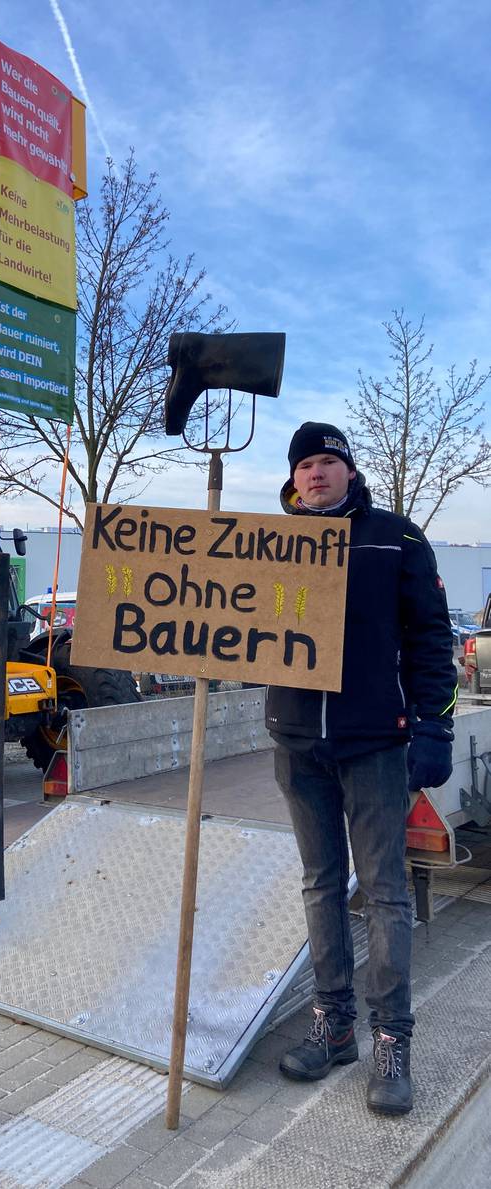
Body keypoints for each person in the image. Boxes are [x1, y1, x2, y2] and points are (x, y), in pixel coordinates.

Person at [267, 422, 457, 1116]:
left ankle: (391, 1039)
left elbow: (434, 638)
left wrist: (433, 728)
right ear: (293, 478)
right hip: (296, 744)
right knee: (320, 886)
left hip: (376, 742)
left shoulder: (396, 538)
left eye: (327, 461)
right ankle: (334, 1024)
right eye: (305, 464)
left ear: (349, 471)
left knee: (385, 893)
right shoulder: (266, 547)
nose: (315, 473)